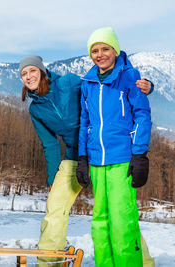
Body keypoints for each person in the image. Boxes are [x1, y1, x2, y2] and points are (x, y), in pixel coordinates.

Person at [19, 54, 154, 266]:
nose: (28, 76)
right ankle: (47, 262)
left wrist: (146, 88)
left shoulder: (68, 82)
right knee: (55, 208)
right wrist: (52, 177)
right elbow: (50, 144)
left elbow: (102, 91)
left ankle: (143, 262)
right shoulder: (35, 109)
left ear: (42, 71)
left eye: (32, 71)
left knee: (119, 214)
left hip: (103, 152)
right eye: (23, 74)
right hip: (74, 157)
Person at [77, 27, 152, 267]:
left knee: (122, 220)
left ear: (115, 50)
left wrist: (140, 154)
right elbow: (85, 121)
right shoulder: (88, 82)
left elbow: (142, 114)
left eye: (105, 49)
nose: (100, 54)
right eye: (95, 50)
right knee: (99, 220)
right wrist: (82, 157)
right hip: (97, 160)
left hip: (122, 159)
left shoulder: (129, 76)